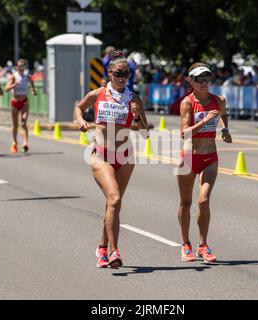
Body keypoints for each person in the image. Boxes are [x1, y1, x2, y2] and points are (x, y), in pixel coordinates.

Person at [75, 50, 149, 269]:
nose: (121, 77)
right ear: (109, 73)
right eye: (118, 73)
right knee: (115, 199)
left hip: (125, 157)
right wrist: (81, 122)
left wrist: (137, 116)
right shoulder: (97, 94)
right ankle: (115, 251)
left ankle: (102, 248)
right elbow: (79, 107)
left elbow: (145, 133)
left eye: (126, 74)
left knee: (112, 204)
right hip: (101, 155)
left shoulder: (134, 99)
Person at [177, 62, 232, 264]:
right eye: (198, 79)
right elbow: (184, 133)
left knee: (203, 200)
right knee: (186, 202)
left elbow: (224, 115)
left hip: (210, 157)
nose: (203, 83)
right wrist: (205, 121)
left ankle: (203, 244)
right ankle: (185, 244)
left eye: (207, 78)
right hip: (189, 157)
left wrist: (225, 130)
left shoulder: (219, 100)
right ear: (191, 81)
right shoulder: (187, 103)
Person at [5, 59, 37, 153]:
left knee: (23, 123)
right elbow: (6, 88)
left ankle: (25, 143)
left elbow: (31, 82)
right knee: (15, 125)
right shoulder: (14, 76)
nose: (22, 68)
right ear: (16, 67)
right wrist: (14, 84)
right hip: (15, 102)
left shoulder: (27, 76)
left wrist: (33, 90)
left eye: (23, 66)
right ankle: (14, 142)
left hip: (24, 101)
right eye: (20, 66)